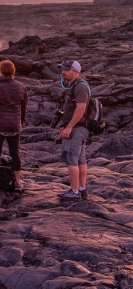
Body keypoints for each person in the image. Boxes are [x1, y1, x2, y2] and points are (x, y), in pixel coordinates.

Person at [0, 60, 28, 193]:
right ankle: (17, 182)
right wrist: (20, 122)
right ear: (13, 72)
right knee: (15, 154)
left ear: (1, 72)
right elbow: (24, 108)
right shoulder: (21, 87)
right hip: (15, 125)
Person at [55, 60, 90, 200]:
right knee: (81, 159)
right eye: (62, 69)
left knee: (71, 158)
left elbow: (81, 109)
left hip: (77, 128)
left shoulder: (80, 87)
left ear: (75, 71)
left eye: (66, 70)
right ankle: (82, 189)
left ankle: (74, 191)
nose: (62, 72)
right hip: (77, 127)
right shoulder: (73, 86)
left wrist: (69, 127)